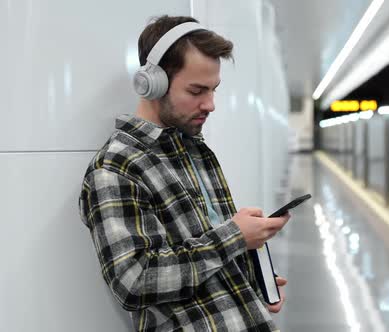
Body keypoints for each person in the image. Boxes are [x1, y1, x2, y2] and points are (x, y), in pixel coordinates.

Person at [79, 15, 290, 332]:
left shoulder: (194, 149)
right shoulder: (116, 167)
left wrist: (249, 278)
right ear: (152, 83)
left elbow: (202, 253)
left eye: (213, 90)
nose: (210, 104)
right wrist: (234, 237)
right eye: (196, 91)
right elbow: (134, 281)